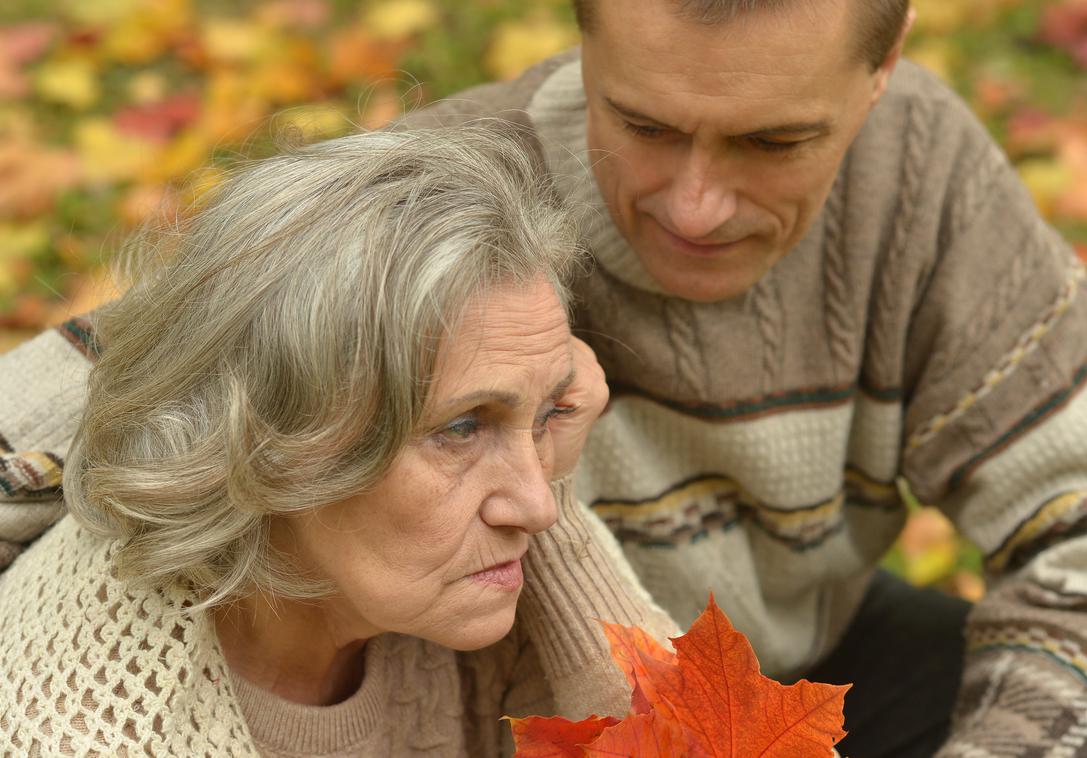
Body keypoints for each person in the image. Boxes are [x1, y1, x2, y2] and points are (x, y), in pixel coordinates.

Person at [1, 0, 1087, 755]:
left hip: (785, 668)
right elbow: (166, 377)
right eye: (645, 124)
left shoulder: (922, 177)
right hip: (539, 696)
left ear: (878, 79)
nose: (694, 203)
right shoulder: (454, 200)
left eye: (773, 142)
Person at [0, 127, 680, 755]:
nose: (540, 507)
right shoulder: (88, 730)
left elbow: (690, 736)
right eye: (462, 427)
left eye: (546, 414)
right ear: (267, 441)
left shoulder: (449, 593)